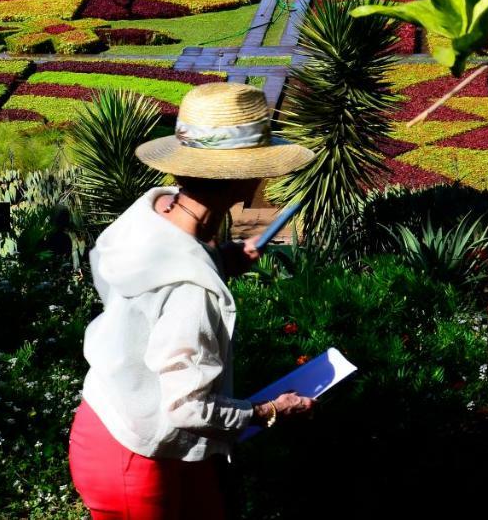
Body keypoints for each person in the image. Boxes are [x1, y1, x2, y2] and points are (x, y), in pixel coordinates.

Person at [69, 82, 317, 520]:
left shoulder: (151, 212)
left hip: (114, 425)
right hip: (143, 461)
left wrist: (217, 259)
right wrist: (271, 411)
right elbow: (187, 406)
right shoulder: (193, 291)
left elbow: (145, 287)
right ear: (243, 178)